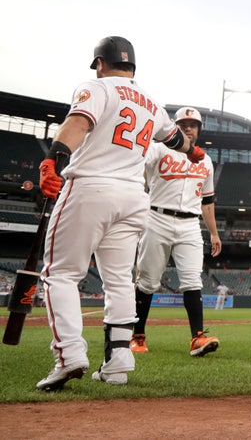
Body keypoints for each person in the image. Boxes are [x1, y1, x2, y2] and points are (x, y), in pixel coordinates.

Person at [35, 36, 203, 391]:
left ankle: (69, 355)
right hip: (133, 198)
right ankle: (119, 362)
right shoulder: (151, 103)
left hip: (91, 186)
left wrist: (53, 157)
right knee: (118, 281)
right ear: (133, 67)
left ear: (100, 63)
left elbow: (78, 124)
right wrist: (194, 152)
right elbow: (177, 142)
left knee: (61, 274)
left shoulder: (97, 87)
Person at [131, 107, 221, 357]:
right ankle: (137, 336)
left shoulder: (205, 159)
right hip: (156, 218)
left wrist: (213, 233)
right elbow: (136, 166)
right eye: (183, 123)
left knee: (193, 280)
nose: (188, 127)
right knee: (148, 282)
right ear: (175, 127)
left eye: (193, 124)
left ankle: (197, 338)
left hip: (190, 225)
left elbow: (208, 201)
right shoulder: (159, 149)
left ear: (199, 129)